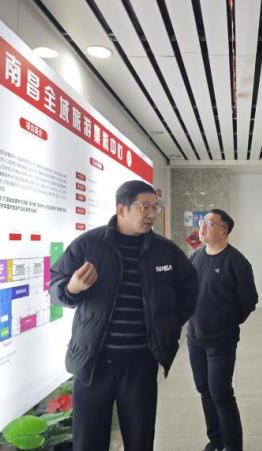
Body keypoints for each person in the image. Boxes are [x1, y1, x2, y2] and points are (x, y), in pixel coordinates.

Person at [49, 180, 199, 451]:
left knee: (140, 438)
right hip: (93, 361)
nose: (152, 214)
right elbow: (55, 285)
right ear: (121, 209)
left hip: (141, 361)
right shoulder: (89, 244)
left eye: (155, 207)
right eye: (144, 207)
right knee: (88, 440)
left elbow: (190, 290)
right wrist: (72, 288)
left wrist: (168, 323)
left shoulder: (165, 251)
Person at [187, 209, 258, 451]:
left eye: (209, 223)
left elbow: (249, 300)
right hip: (195, 338)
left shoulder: (236, 261)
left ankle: (232, 445)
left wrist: (227, 322)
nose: (202, 226)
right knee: (204, 390)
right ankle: (216, 440)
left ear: (224, 231)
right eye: (202, 222)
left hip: (221, 341)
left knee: (220, 393)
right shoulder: (196, 257)